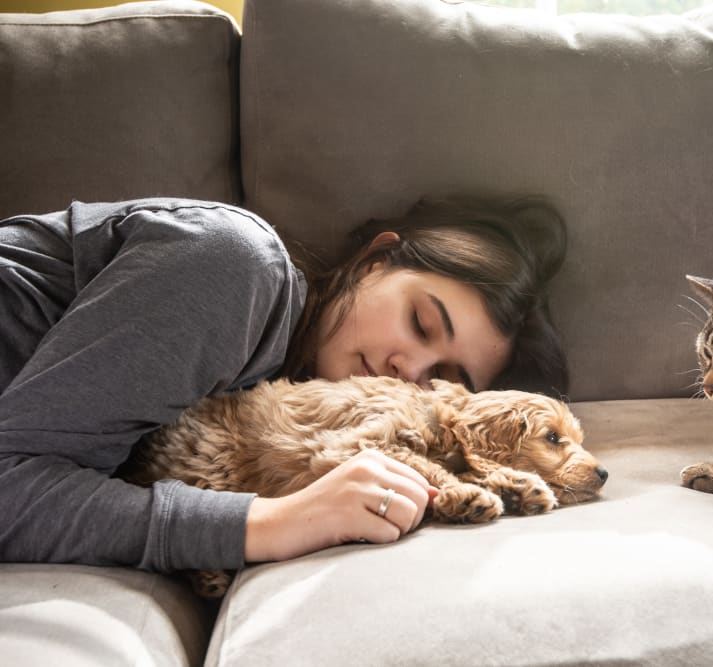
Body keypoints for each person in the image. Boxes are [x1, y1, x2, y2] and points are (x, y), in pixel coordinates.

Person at [0, 194, 568, 574]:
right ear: (376, 261)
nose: (410, 369)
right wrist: (268, 525)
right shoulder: (234, 267)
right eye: (420, 322)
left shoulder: (268, 410)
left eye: (444, 378)